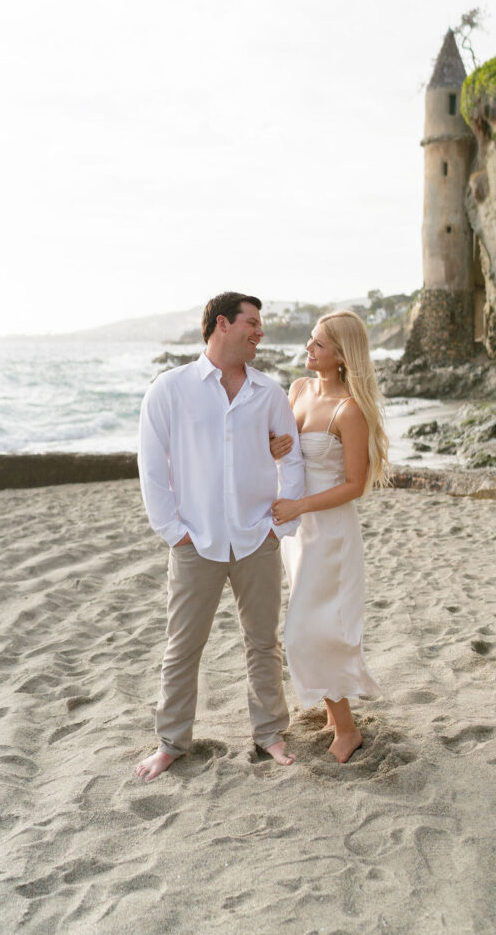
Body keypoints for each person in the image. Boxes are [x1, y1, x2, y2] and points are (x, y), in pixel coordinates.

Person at [136, 292, 305, 781]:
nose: (260, 331)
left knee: (263, 643)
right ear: (222, 325)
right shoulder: (169, 390)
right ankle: (171, 742)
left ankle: (270, 733)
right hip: (196, 541)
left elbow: (290, 458)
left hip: (257, 537)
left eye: (261, 324)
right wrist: (174, 531)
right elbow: (152, 467)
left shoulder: (269, 393)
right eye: (252, 323)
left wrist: (280, 522)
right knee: (183, 645)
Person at [270, 309, 389, 763]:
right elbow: (282, 451)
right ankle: (331, 709)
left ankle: (347, 728)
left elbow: (355, 485)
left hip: (331, 535)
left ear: (341, 356)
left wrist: (300, 506)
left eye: (318, 344)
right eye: (310, 340)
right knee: (312, 622)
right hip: (298, 536)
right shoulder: (298, 390)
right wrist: (273, 448)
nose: (308, 348)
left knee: (307, 630)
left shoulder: (350, 410)